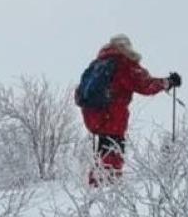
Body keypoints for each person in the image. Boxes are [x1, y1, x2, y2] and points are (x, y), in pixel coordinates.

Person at [77, 34, 180, 185]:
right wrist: (168, 82)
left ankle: (96, 188)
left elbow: (79, 93)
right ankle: (106, 190)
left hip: (94, 116)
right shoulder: (123, 64)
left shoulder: (97, 64)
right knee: (113, 155)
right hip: (112, 117)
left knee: (103, 152)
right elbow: (145, 85)